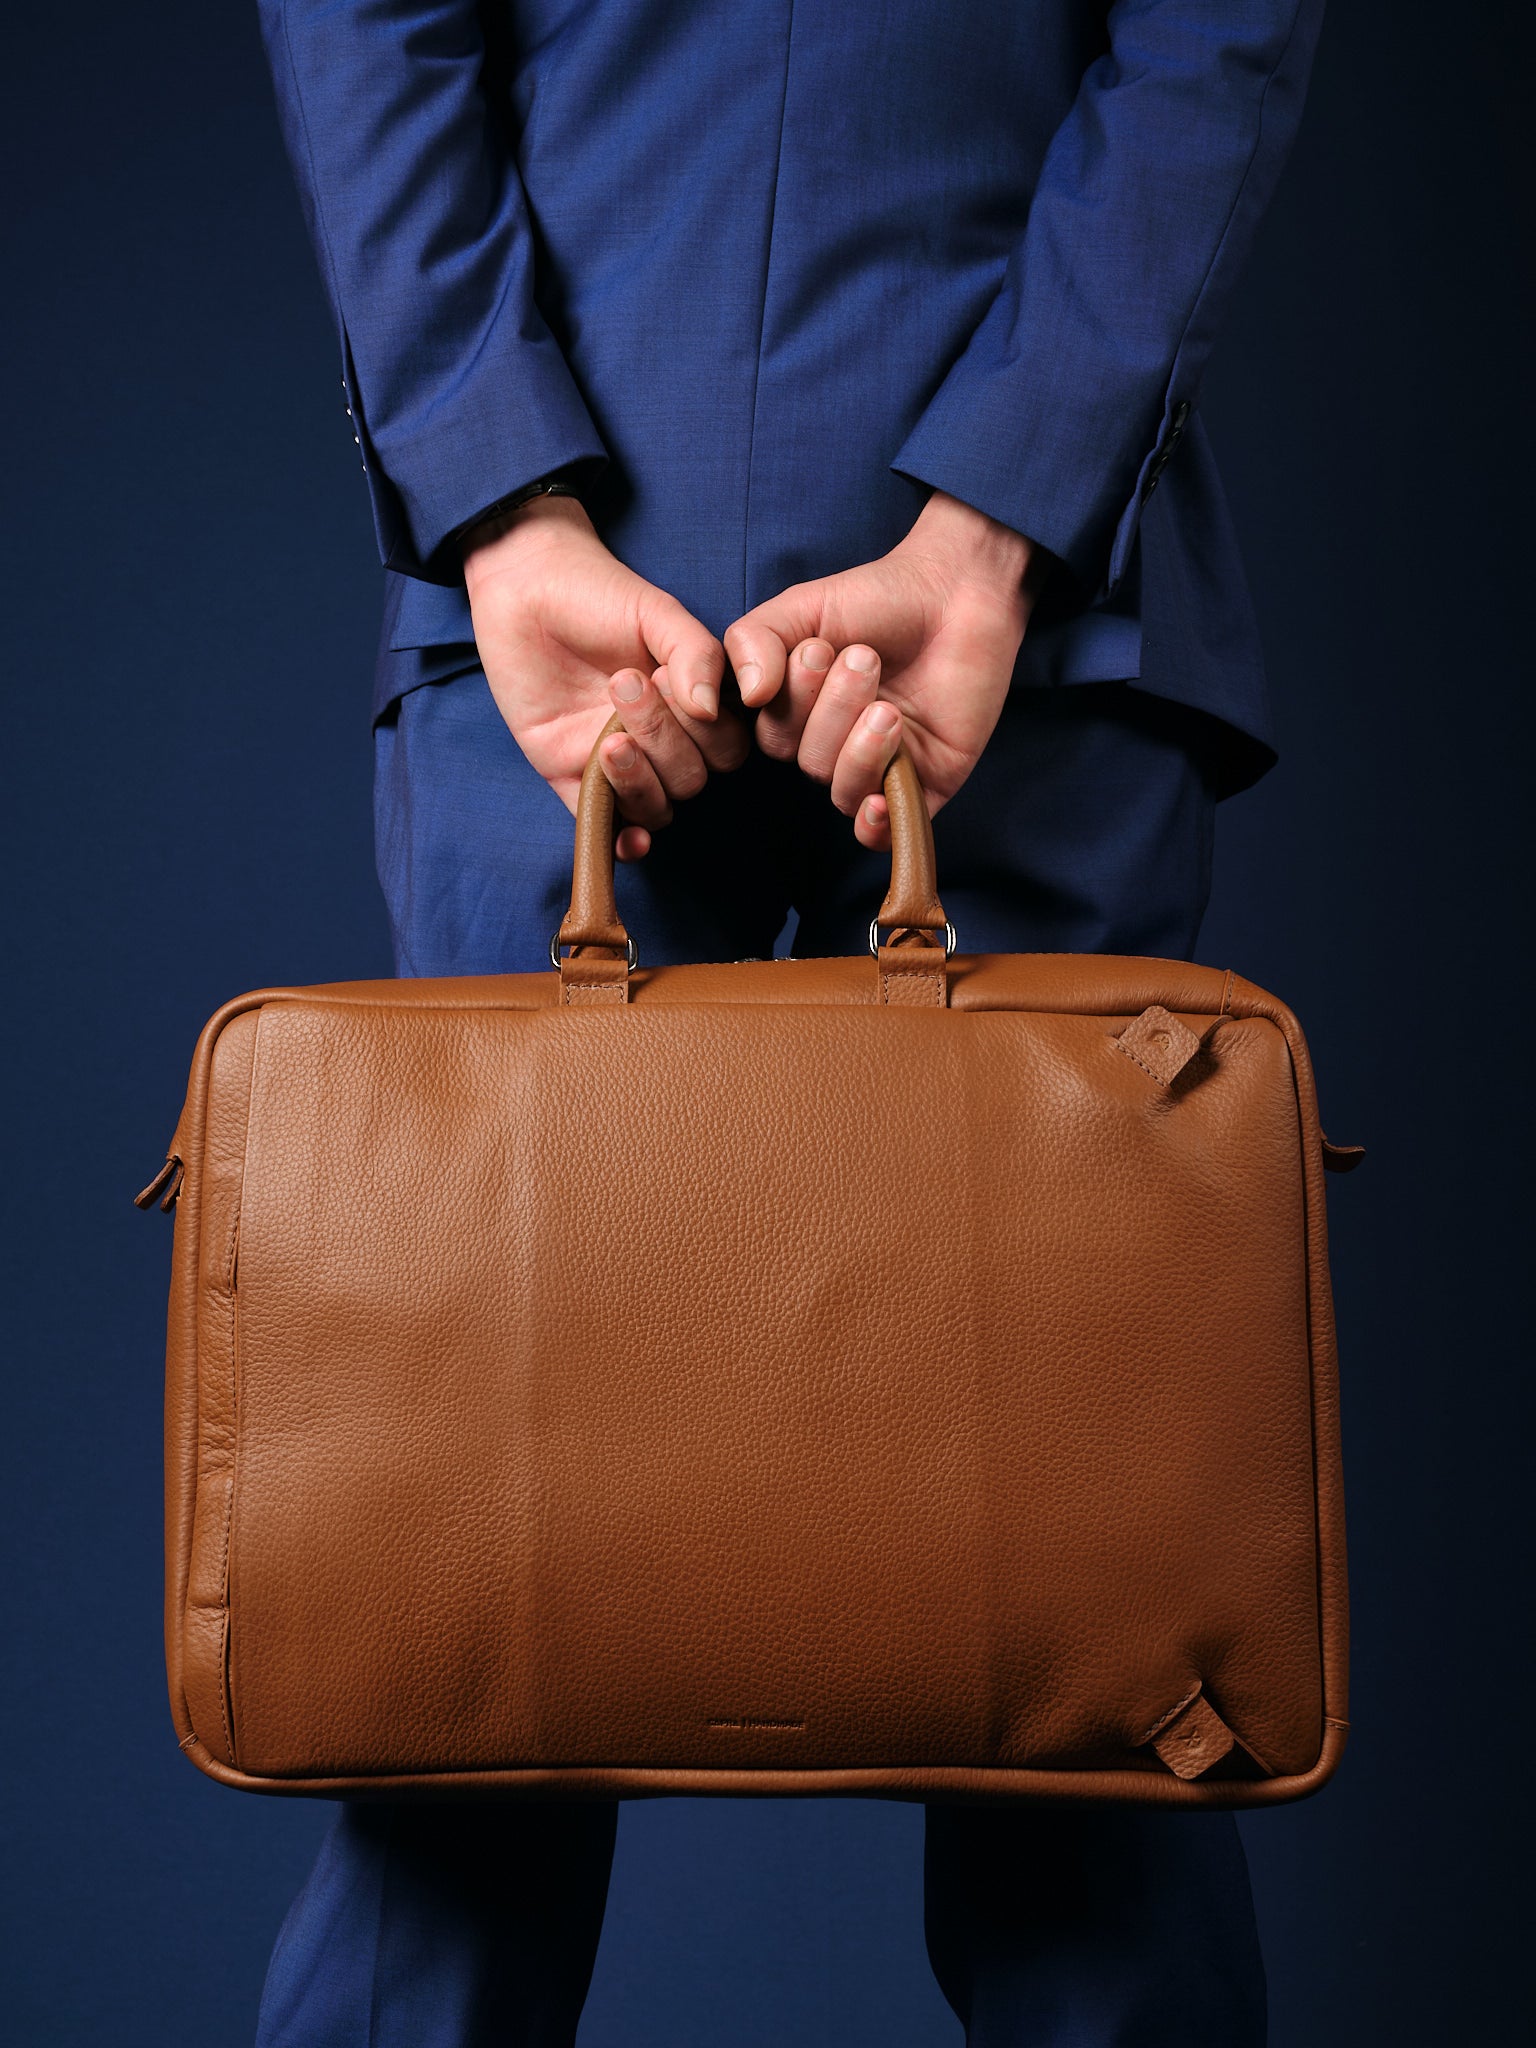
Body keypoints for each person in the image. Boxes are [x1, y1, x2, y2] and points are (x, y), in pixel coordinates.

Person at [252, 1, 1325, 2040]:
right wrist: (506, 505)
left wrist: (511, 489)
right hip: (806, 602)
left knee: (1081, 1662)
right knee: (454, 1637)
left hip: (971, 620)